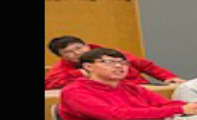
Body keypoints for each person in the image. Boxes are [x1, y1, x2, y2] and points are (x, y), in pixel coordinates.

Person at [57, 48, 197, 120]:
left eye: (123, 63)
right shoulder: (75, 91)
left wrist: (194, 106)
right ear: (88, 66)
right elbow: (115, 115)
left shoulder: (129, 87)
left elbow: (162, 103)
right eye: (110, 62)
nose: (119, 67)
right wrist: (180, 109)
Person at [45, 35, 184, 89]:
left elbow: (147, 66)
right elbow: (49, 83)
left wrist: (169, 77)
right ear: (62, 56)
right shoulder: (62, 68)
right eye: (69, 52)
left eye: (79, 48)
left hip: (140, 87)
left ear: (86, 45)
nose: (77, 53)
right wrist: (79, 73)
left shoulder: (112, 54)